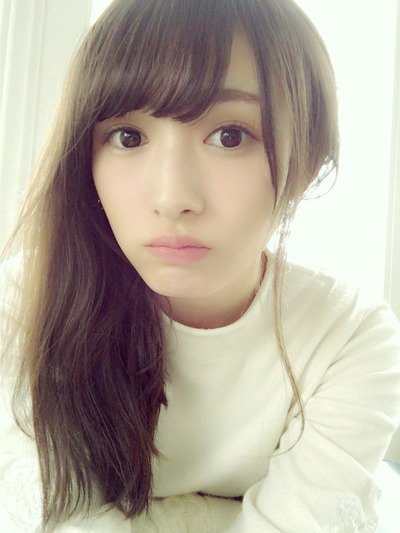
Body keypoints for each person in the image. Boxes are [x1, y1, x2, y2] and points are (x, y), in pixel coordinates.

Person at [1, 0, 400, 531]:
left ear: (306, 162)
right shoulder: (22, 303)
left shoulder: (348, 336)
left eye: (230, 136)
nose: (172, 198)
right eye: (128, 137)